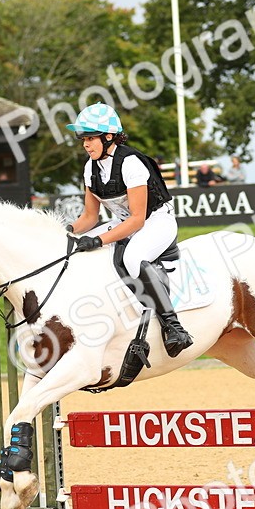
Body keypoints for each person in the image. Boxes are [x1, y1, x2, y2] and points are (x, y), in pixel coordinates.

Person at [65, 103, 193, 358]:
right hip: (127, 221)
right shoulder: (90, 167)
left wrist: (99, 240)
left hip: (156, 220)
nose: (86, 145)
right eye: (83, 139)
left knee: (132, 257)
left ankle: (173, 326)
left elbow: (137, 220)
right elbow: (89, 217)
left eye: (90, 138)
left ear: (108, 136)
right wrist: (67, 231)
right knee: (82, 251)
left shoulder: (131, 162)